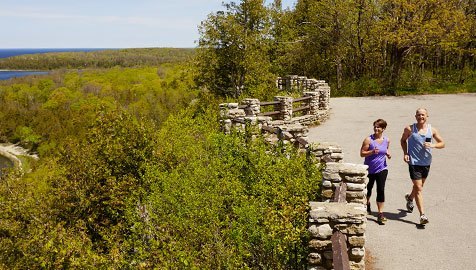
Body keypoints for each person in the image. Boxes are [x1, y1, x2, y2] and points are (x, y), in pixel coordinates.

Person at [400, 108, 445, 225]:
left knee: (419, 187)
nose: (421, 117)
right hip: (414, 162)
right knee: (419, 188)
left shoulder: (432, 130)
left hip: (426, 162)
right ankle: (422, 215)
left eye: (423, 115)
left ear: (427, 116)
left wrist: (433, 145)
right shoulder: (409, 129)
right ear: (415, 116)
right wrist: (405, 153)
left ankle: (410, 198)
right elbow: (403, 141)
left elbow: (442, 143)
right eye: (418, 115)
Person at [360, 119, 391, 225]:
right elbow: (362, 153)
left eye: (378, 127)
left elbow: (386, 149)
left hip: (382, 168)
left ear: (383, 129)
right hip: (369, 169)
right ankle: (367, 203)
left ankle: (380, 213)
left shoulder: (387, 140)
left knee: (381, 189)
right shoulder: (368, 140)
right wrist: (371, 152)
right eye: (375, 126)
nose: (376, 129)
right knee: (369, 188)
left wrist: (387, 154)